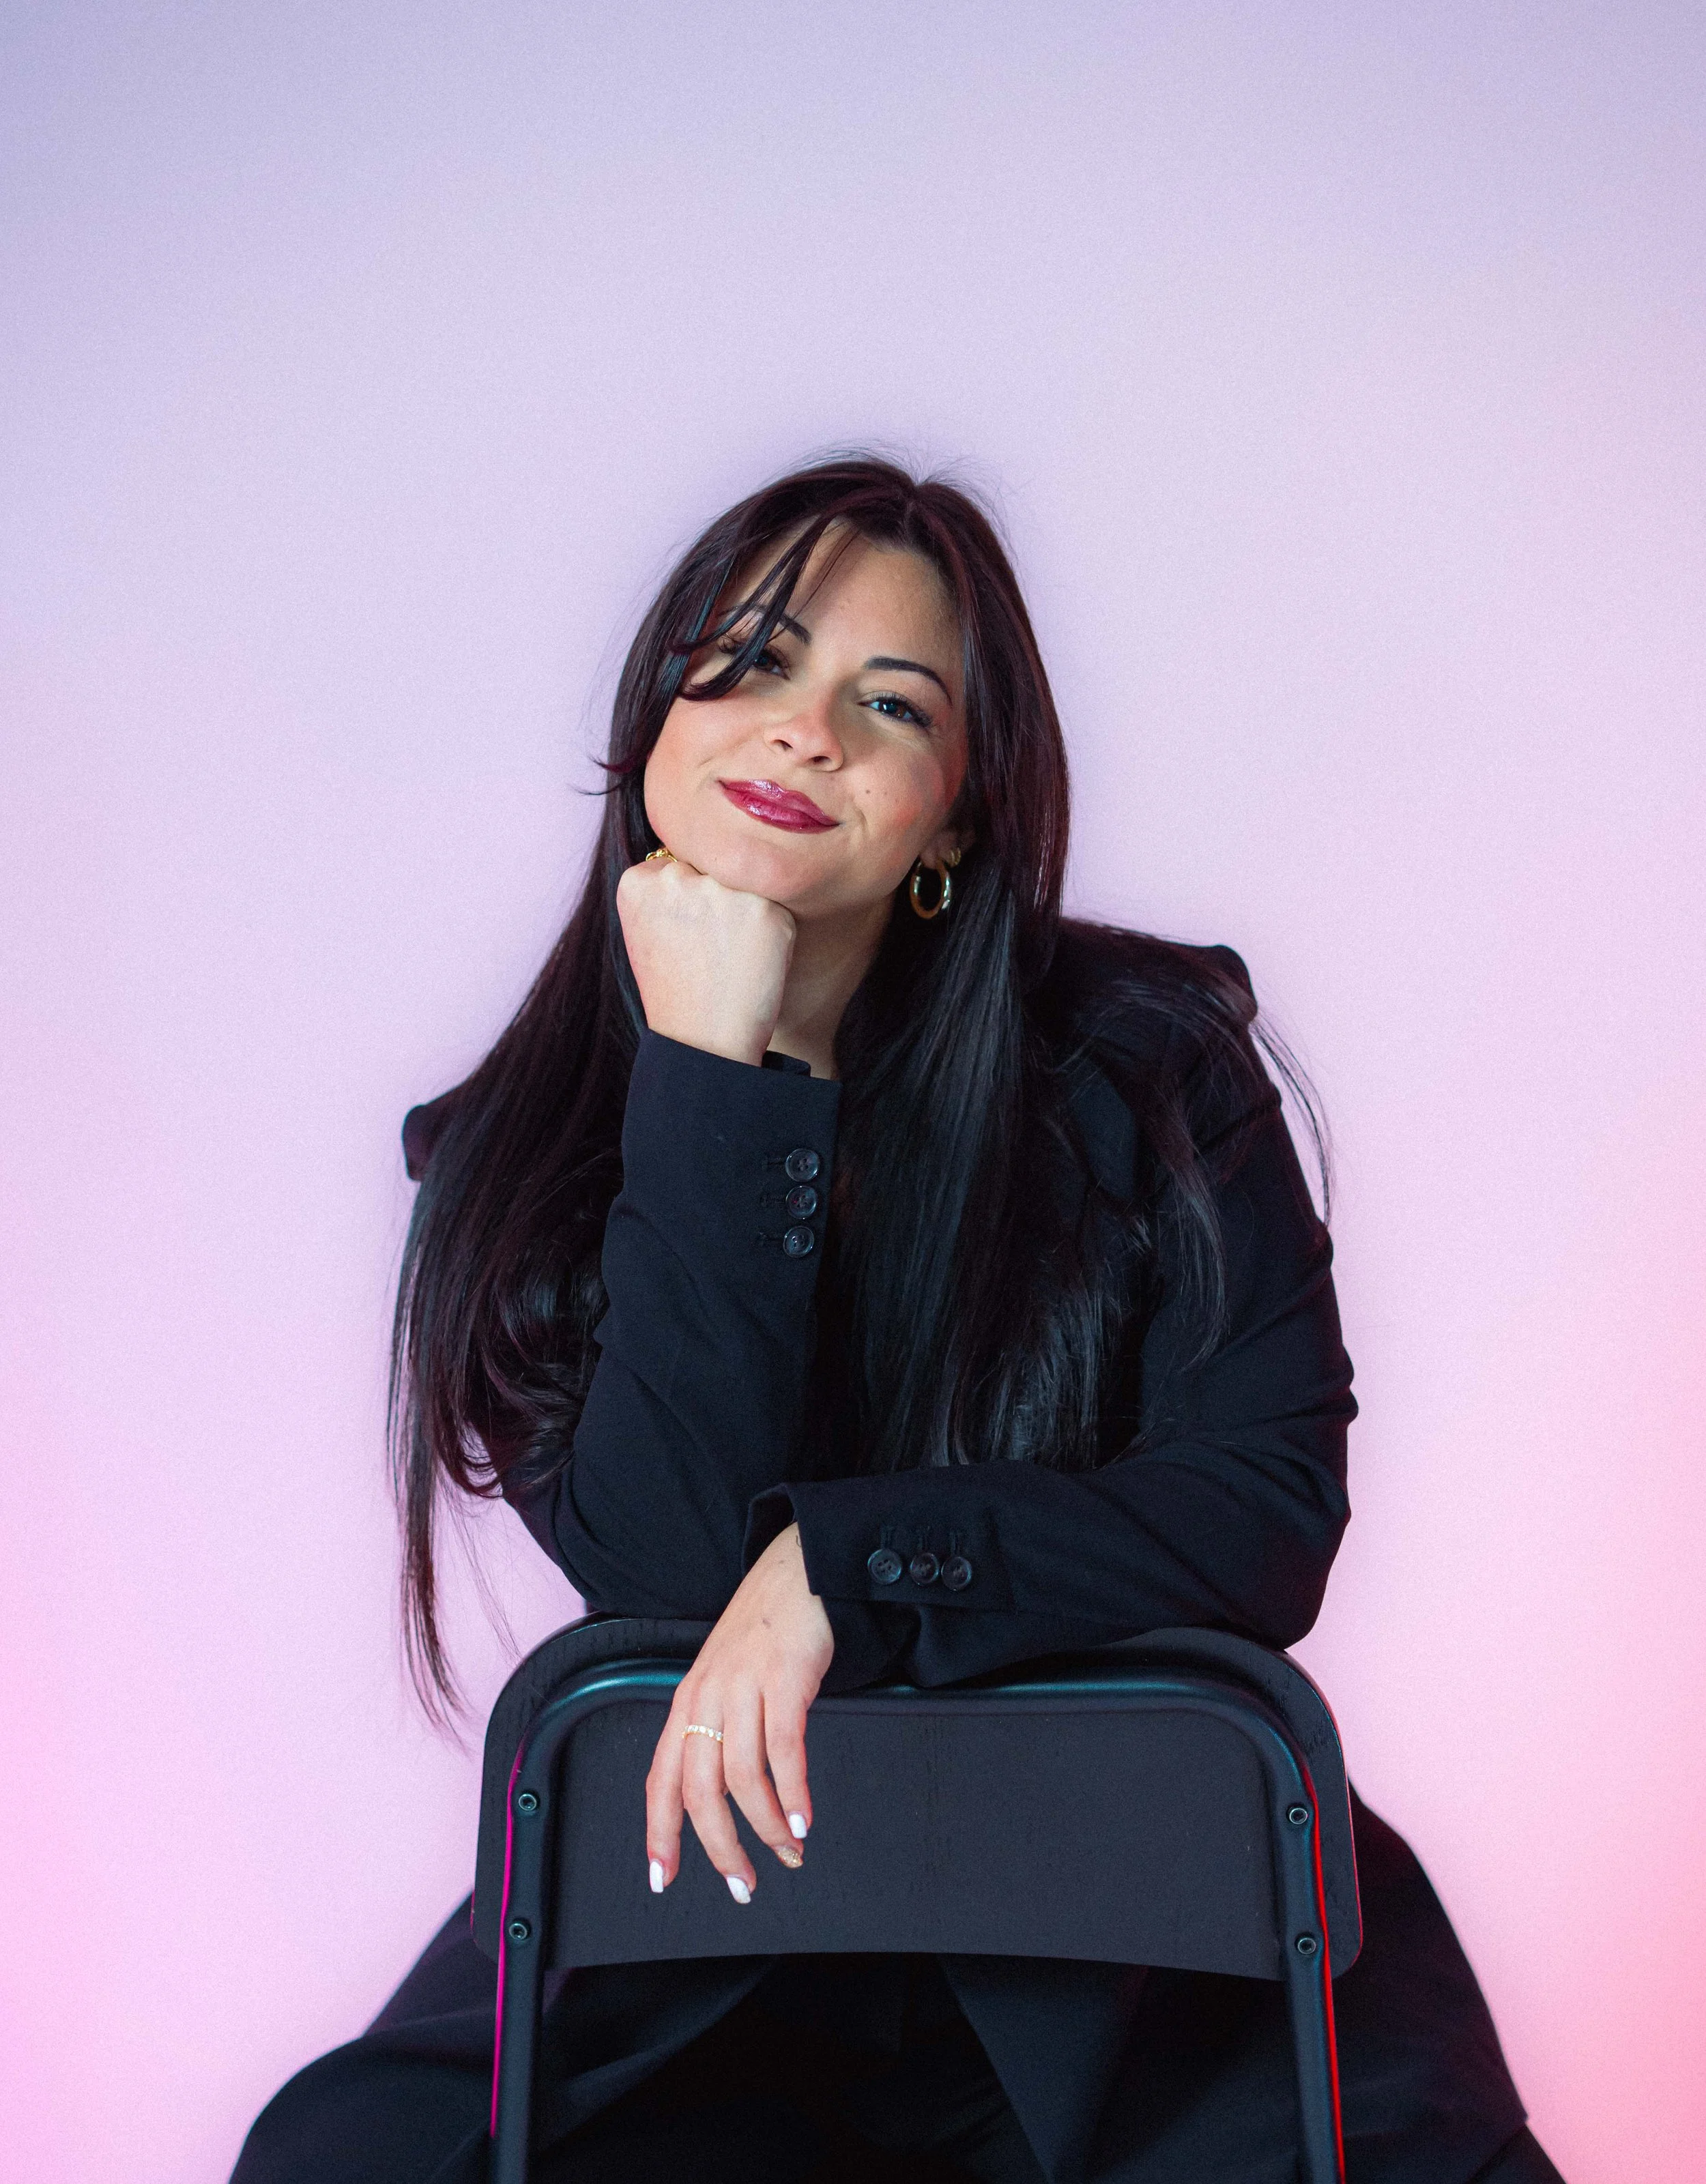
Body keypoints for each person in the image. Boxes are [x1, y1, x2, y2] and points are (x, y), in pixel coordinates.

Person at [233, 457, 1562, 2183]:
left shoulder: (1150, 1064)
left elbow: (1261, 1508)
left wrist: (844, 1566)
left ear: (951, 816)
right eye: (751, 664)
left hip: (1144, 1963)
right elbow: (661, 1570)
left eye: (889, 704)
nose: (802, 733)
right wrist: (720, 1080)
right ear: (654, 725)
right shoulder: (507, 1157)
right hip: (703, 1965)